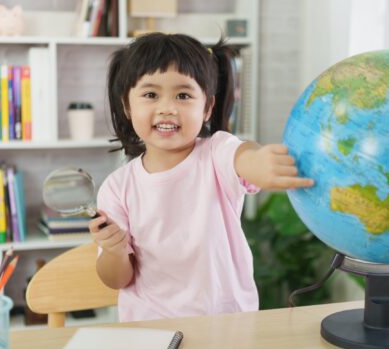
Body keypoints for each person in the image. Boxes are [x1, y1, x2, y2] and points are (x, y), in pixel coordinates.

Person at [89, 32, 313, 322]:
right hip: (150, 328)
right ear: (127, 106)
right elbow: (117, 279)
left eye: (183, 95)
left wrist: (260, 162)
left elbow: (244, 156)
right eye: (150, 95)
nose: (167, 108)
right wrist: (114, 251)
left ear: (207, 107)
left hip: (227, 323)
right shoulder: (117, 188)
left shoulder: (217, 152)